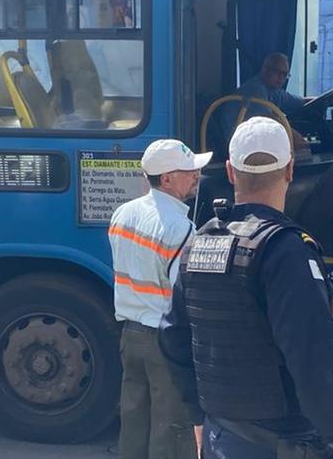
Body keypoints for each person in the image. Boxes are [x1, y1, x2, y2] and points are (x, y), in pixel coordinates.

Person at [159, 117, 333, 459]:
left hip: (221, 435)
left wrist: (199, 418)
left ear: (230, 172)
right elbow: (315, 365)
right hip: (279, 442)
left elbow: (173, 336)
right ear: (290, 169)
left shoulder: (198, 243)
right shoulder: (285, 251)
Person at [109, 139, 211, 459]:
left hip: (131, 335)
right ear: (166, 178)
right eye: (189, 170)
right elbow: (185, 294)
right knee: (172, 431)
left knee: (134, 424)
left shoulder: (122, 214)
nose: (196, 176)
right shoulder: (180, 228)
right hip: (164, 342)